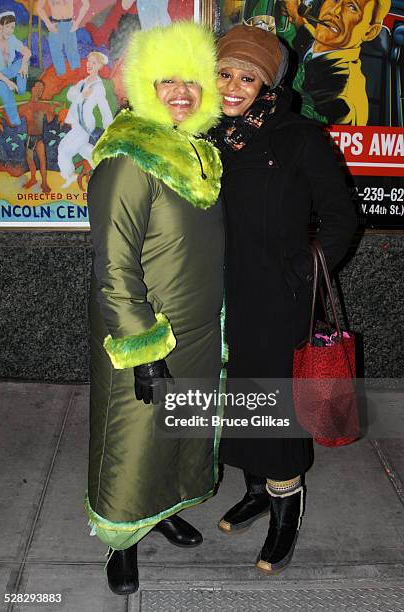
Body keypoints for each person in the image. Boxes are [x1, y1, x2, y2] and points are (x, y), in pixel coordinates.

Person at [208, 24, 357, 574]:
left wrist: (298, 274)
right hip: (221, 295)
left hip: (279, 300)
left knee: (276, 412)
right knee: (239, 404)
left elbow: (341, 219)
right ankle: (254, 492)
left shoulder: (299, 136)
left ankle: (284, 516)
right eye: (224, 73)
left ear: (268, 83)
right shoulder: (209, 136)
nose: (232, 86)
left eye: (248, 77)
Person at [86, 22, 223, 595]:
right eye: (166, 81)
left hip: (196, 330)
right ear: (142, 85)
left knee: (179, 434)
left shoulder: (197, 153)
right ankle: (121, 542)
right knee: (133, 441)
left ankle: (163, 509)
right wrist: (142, 348)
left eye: (191, 81)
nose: (182, 92)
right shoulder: (128, 156)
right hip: (146, 333)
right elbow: (113, 267)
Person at [284, 0, 391, 124]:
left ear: (369, 32)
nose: (334, 11)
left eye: (352, 7)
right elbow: (306, 35)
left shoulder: (342, 97)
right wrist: (296, 15)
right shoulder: (323, 46)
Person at [58, 51, 113, 189]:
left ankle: (68, 175)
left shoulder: (98, 87)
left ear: (100, 66)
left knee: (64, 149)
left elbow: (104, 107)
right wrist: (81, 95)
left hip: (85, 124)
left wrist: (109, 126)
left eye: (93, 62)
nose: (89, 65)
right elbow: (70, 95)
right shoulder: (84, 82)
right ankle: (106, 172)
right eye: (88, 61)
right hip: (77, 123)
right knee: (86, 150)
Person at [18, 80, 58, 193]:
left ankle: (44, 183)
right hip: (30, 137)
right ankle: (33, 179)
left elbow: (50, 120)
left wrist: (52, 109)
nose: (40, 91)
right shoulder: (25, 106)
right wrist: (8, 111)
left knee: (42, 161)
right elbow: (16, 118)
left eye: (42, 89)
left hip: (39, 137)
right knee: (30, 160)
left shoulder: (44, 105)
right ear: (33, 89)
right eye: (38, 88)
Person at [0, 11, 31, 127]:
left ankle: (20, 90)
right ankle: (16, 123)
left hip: (8, 70)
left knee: (24, 61)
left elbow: (27, 52)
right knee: (7, 93)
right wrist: (7, 82)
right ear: (0, 26)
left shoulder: (12, 39)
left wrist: (24, 64)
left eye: (12, 28)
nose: (10, 31)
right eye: (7, 27)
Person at [37, 0, 90, 76]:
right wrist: (48, 24)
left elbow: (86, 4)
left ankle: (76, 77)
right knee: (56, 54)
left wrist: (77, 23)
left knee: (72, 52)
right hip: (55, 25)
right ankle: (61, 78)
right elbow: (39, 8)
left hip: (69, 25)